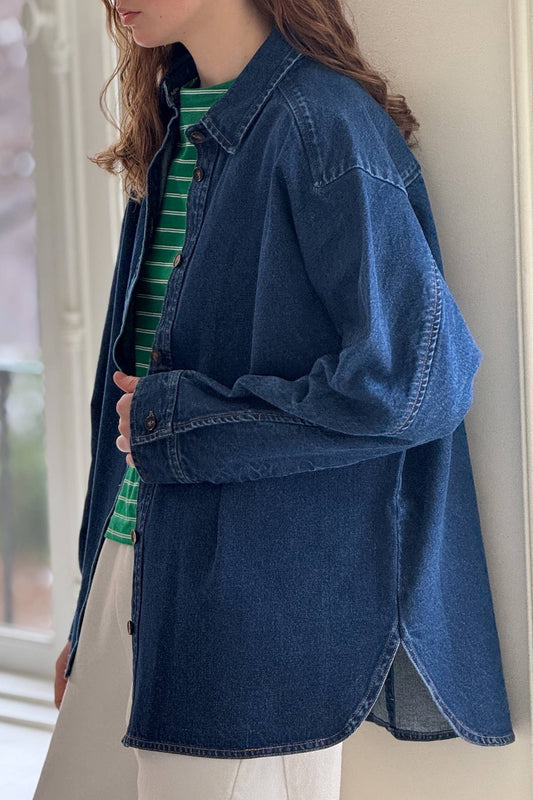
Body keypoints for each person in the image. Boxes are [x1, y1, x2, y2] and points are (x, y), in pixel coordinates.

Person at [34, 0, 515, 798]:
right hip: (146, 565)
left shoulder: (319, 126)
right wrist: (94, 597)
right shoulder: (176, 121)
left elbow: (414, 384)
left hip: (246, 602)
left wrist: (184, 422)